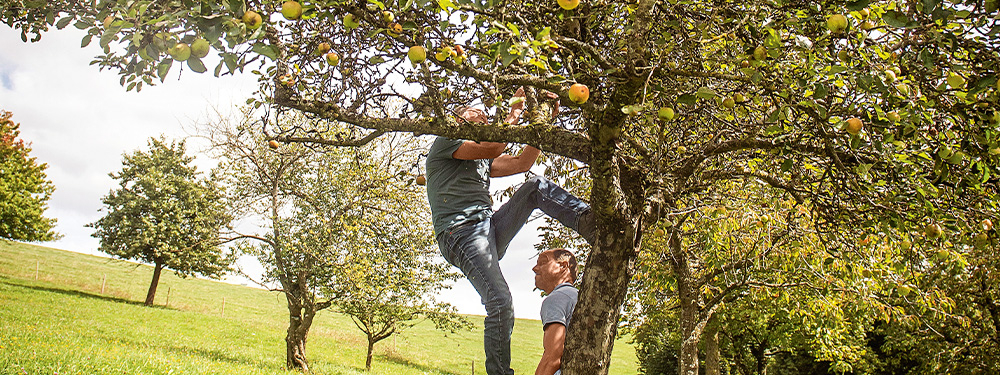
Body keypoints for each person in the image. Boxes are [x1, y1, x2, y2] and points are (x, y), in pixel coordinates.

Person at [425, 88, 594, 375]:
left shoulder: (479, 160)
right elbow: (496, 146)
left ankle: (587, 222)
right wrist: (515, 109)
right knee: (500, 302)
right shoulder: (446, 141)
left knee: (534, 187)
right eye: (474, 113)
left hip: (487, 229)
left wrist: (542, 124)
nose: (482, 115)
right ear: (456, 120)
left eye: (484, 114)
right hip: (461, 234)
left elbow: (522, 163)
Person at [532, 248, 578, 375]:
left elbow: (553, 356)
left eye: (542, 263)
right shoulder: (577, 296)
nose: (535, 268)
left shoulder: (557, 298)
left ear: (563, 266)